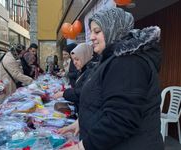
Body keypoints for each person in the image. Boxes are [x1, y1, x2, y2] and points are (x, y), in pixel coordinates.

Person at [58, 7, 164, 150]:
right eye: (91, 32)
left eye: (97, 31)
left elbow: (120, 119)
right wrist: (81, 122)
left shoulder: (128, 61)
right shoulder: (112, 59)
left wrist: (80, 147)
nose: (91, 37)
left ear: (114, 28)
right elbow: (103, 100)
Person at [53, 43, 93, 113]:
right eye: (73, 60)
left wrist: (64, 93)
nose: (74, 63)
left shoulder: (91, 72)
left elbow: (83, 92)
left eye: (77, 59)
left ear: (85, 56)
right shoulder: (81, 71)